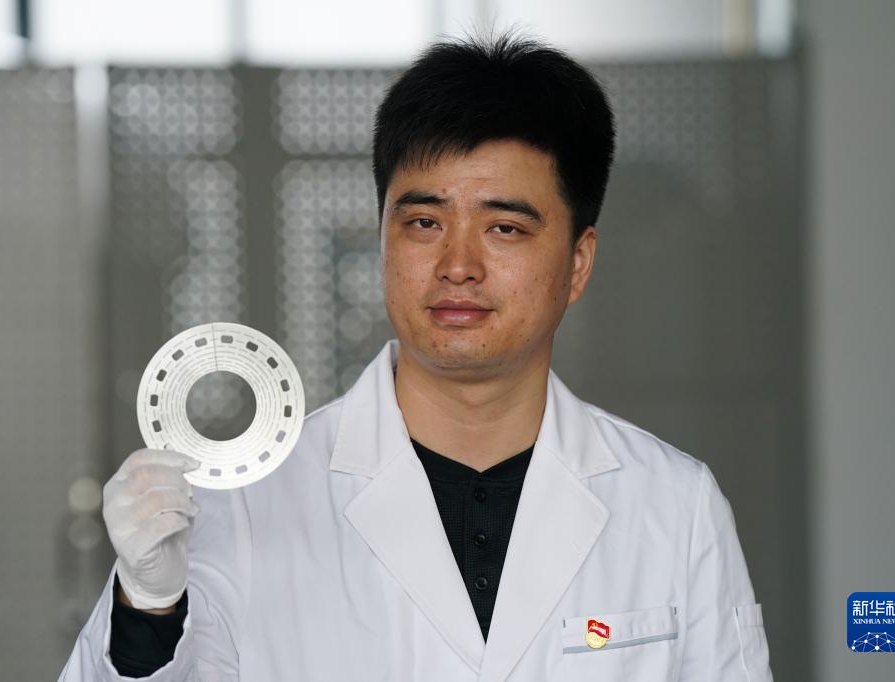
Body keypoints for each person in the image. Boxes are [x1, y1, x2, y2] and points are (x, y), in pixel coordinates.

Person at [60, 30, 774, 681]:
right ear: (382, 239)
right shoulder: (247, 505)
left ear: (578, 263)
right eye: (424, 222)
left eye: (504, 228)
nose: (457, 265)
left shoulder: (672, 505)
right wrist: (148, 610)